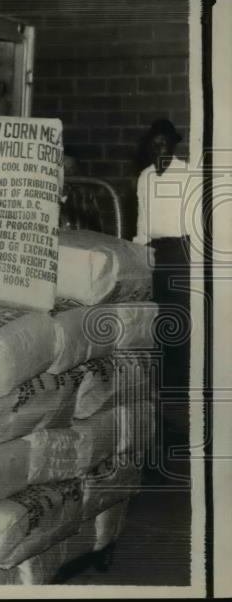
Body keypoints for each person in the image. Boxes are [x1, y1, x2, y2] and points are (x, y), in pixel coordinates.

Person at [132, 118, 192, 482]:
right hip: (153, 256)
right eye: (154, 146)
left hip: (182, 256)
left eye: (166, 145)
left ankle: (182, 426)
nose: (161, 152)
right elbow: (142, 225)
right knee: (155, 339)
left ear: (175, 145)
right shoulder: (144, 178)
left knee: (179, 340)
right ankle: (160, 429)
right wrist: (138, 255)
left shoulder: (188, 174)